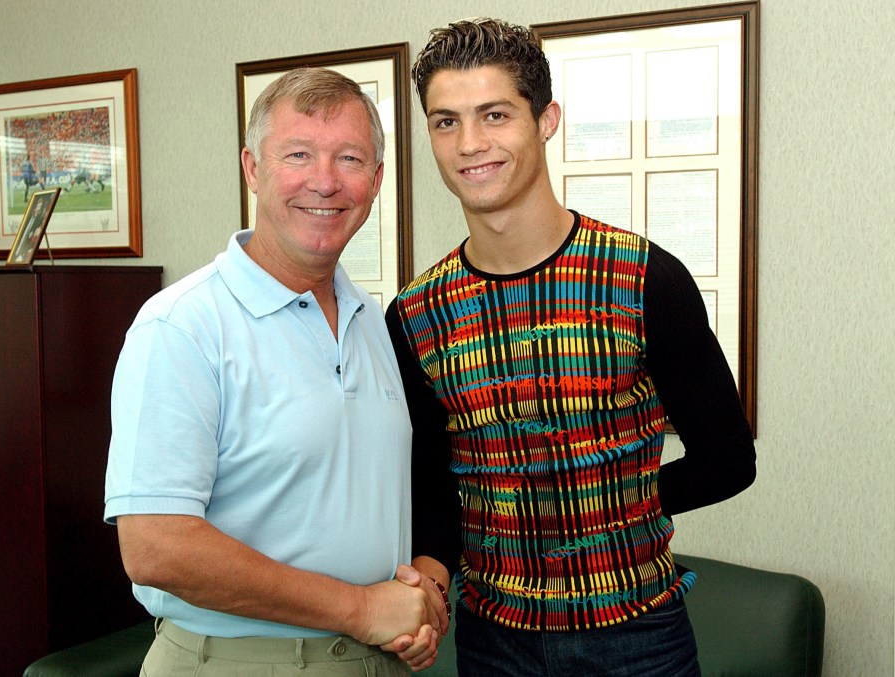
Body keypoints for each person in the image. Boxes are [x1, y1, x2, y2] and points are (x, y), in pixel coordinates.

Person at [386, 18, 757, 677]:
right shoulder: (416, 314)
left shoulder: (643, 277)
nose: (469, 143)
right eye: (445, 121)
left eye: (494, 114)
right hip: (492, 640)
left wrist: (601, 502)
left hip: (638, 634)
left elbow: (728, 460)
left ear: (546, 119)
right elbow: (436, 489)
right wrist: (429, 581)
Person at [104, 67, 449, 676]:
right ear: (252, 169)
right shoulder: (182, 327)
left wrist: (423, 599)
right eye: (297, 154)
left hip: (379, 660)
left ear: (376, 180)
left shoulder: (376, 320)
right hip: (237, 662)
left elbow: (394, 492)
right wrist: (361, 608)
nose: (325, 180)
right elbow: (156, 548)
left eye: (349, 158)